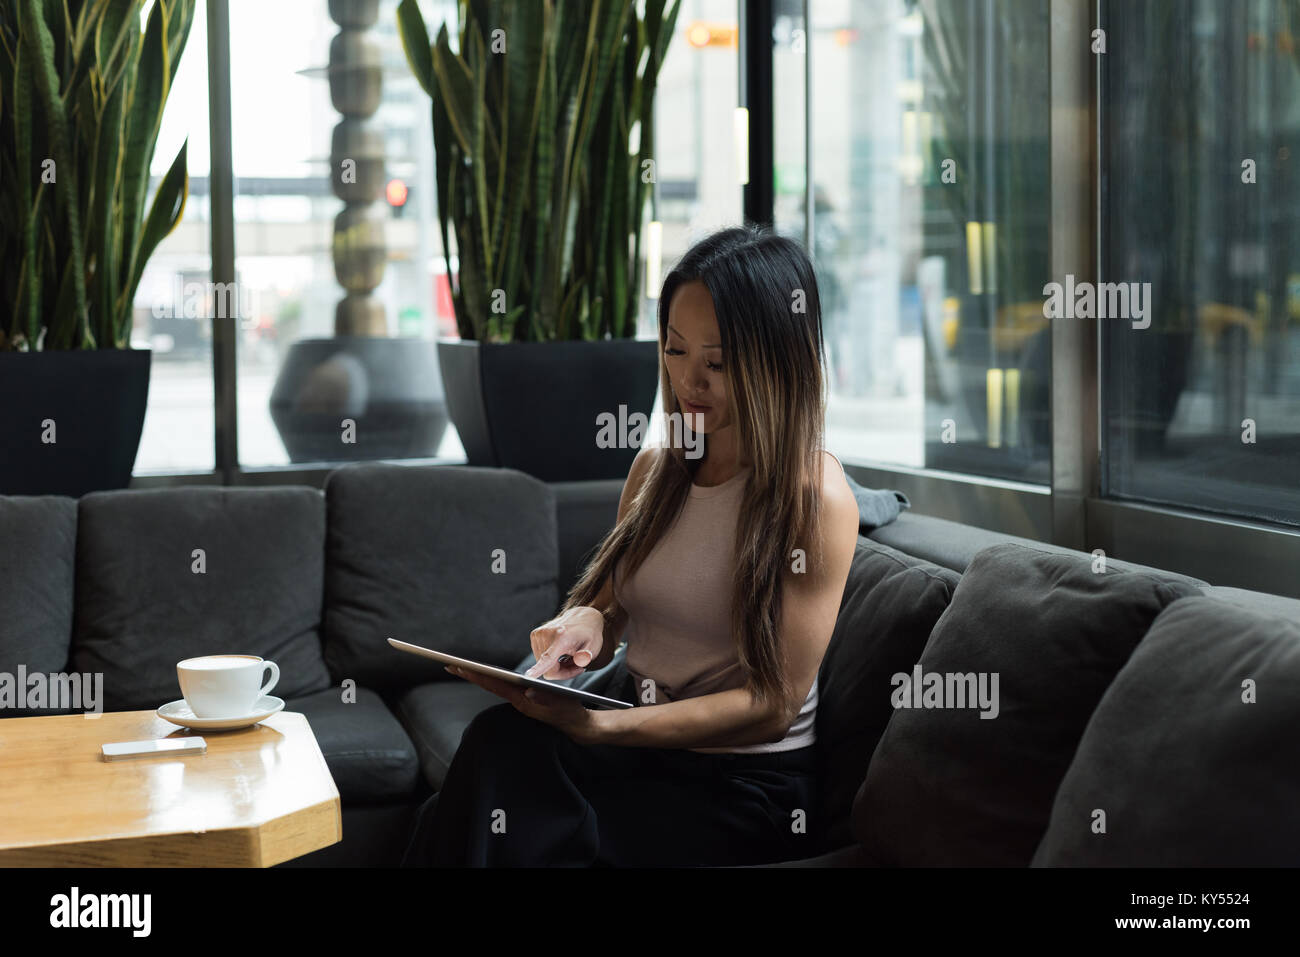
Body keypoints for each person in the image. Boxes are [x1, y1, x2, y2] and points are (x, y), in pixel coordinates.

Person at [401, 224, 860, 867]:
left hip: (746, 790)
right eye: (674, 351)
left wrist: (601, 725)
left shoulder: (813, 499)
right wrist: (584, 624)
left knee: (517, 823)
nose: (687, 381)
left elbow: (773, 705)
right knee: (497, 744)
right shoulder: (658, 471)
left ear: (778, 362)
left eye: (718, 362)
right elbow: (610, 609)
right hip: (644, 748)